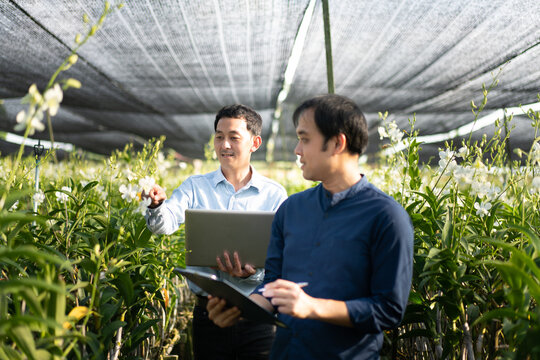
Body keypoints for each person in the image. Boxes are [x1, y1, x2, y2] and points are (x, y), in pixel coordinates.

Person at [207, 94, 414, 359]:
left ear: (337, 143)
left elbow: (388, 309)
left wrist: (313, 307)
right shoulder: (291, 209)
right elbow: (273, 284)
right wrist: (240, 308)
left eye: (305, 139)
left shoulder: (386, 217)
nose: (297, 150)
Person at [143, 104, 288, 360]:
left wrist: (253, 275)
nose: (224, 145)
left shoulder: (274, 195)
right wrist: (156, 205)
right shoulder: (195, 187)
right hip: (208, 312)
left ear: (255, 142)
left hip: (257, 314)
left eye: (234, 137)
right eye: (219, 136)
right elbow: (163, 225)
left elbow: (280, 261)